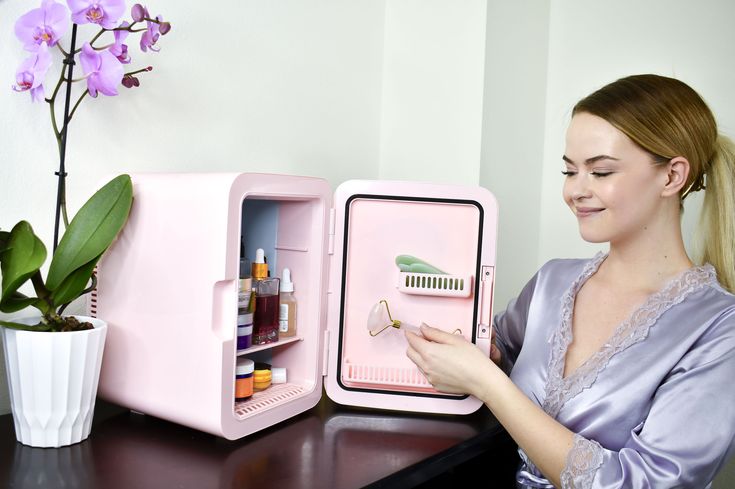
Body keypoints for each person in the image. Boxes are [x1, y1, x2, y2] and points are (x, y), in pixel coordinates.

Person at [405, 74, 735, 488]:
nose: (575, 191)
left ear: (671, 177)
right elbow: (502, 353)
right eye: (569, 170)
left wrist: (488, 384)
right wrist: (485, 357)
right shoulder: (553, 282)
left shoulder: (718, 327)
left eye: (600, 171)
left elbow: (647, 483)